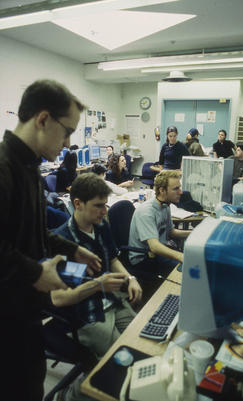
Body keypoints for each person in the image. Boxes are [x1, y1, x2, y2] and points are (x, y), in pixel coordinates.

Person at [0, 79, 102, 401]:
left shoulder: (30, 167)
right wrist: (35, 273)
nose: (70, 141)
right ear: (43, 119)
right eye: (68, 131)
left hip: (26, 313)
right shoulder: (3, 168)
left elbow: (29, 234)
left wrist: (73, 249)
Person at [54, 173, 142, 401]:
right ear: (77, 204)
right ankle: (69, 396)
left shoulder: (100, 226)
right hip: (85, 312)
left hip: (111, 300)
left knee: (140, 343)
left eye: (105, 205)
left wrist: (130, 278)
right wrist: (97, 285)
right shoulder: (61, 242)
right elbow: (60, 299)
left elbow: (112, 259)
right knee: (120, 360)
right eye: (99, 206)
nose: (105, 211)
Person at [129, 170, 191, 277]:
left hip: (157, 253)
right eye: (176, 189)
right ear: (162, 190)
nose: (180, 192)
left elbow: (171, 232)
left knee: (190, 264)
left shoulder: (165, 205)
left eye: (179, 188)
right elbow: (154, 247)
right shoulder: (147, 212)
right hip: (144, 258)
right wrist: (180, 256)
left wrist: (193, 233)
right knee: (188, 271)